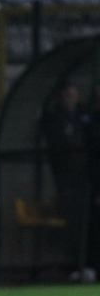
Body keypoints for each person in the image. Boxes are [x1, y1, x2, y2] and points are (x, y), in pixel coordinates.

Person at [41, 81, 94, 281]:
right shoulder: (54, 119)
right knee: (73, 224)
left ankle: (89, 265)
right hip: (67, 180)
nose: (71, 99)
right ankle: (74, 266)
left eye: (73, 95)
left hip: (86, 180)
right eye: (67, 96)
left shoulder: (85, 116)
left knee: (89, 224)